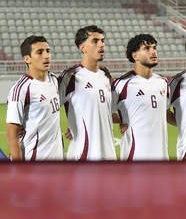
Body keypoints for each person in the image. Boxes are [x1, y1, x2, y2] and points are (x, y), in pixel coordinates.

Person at [58, 25, 117, 161]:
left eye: (102, 40)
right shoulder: (70, 76)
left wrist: (125, 121)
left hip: (109, 155)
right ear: (82, 47)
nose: (101, 45)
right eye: (95, 41)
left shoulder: (105, 75)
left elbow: (105, 112)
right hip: (84, 155)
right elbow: (51, 109)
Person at [111, 34, 170, 161]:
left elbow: (165, 113)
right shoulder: (122, 84)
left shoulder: (163, 82)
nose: (153, 51)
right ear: (135, 56)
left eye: (154, 47)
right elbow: (102, 113)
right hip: (134, 156)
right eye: (147, 48)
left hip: (161, 157)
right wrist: (122, 119)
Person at [6, 36, 64, 161]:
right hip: (34, 163)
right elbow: (12, 135)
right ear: (27, 59)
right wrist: (20, 171)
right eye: (39, 52)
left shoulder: (53, 80)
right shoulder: (21, 89)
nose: (46, 56)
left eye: (48, 51)